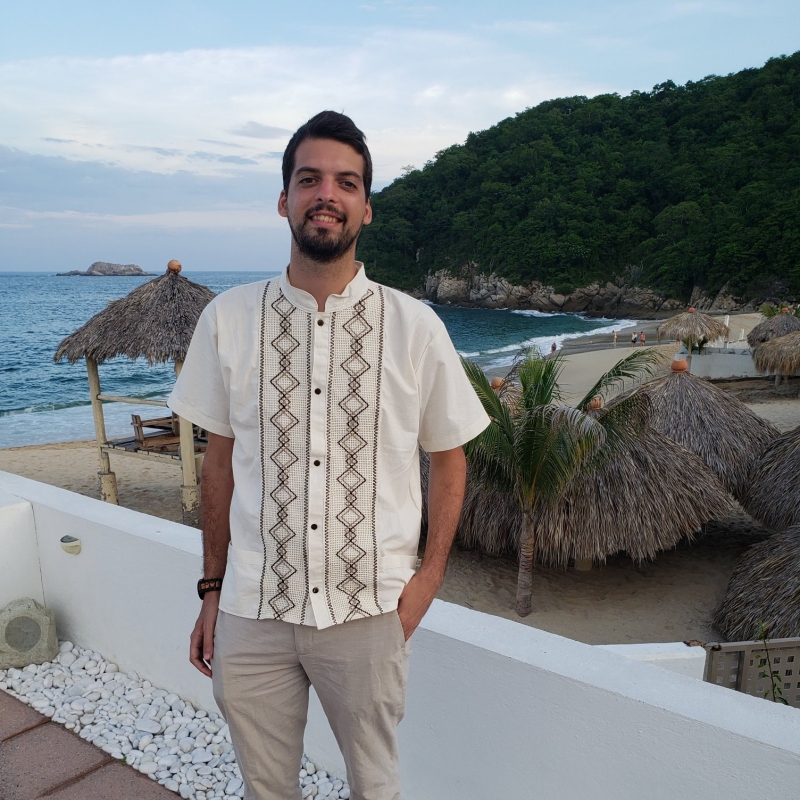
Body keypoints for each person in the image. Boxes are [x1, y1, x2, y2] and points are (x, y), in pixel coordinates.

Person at [168, 111, 490, 800]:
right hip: (253, 610)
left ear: (366, 208)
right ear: (284, 200)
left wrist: (427, 578)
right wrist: (211, 590)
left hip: (369, 609)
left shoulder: (415, 325)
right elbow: (218, 464)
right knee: (265, 788)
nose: (327, 194)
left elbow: (449, 458)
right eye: (309, 178)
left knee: (375, 787)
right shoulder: (227, 319)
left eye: (346, 182)